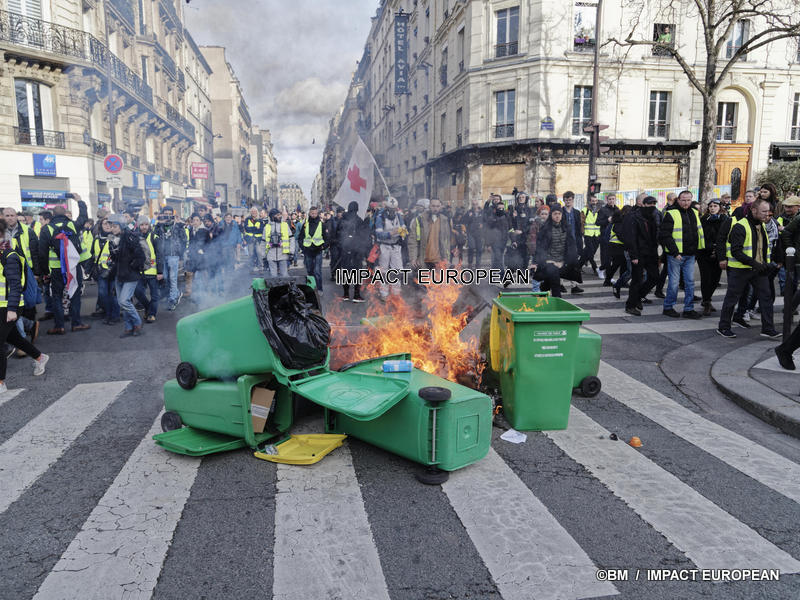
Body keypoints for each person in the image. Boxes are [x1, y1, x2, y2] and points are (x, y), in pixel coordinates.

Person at [717, 198, 780, 339]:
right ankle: (724, 327)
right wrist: (756, 264)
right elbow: (736, 251)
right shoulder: (740, 226)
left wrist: (767, 264)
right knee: (732, 299)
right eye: (763, 211)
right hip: (740, 269)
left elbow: (763, 248)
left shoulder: (762, 225)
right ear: (753, 210)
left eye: (768, 212)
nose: (766, 215)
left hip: (758, 269)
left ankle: (768, 329)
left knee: (766, 298)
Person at [0, 219, 48, 393]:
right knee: (14, 338)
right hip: (3, 306)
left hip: (9, 306)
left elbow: (15, 284)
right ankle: (40, 357)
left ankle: (1, 383)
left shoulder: (9, 255)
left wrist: (12, 309)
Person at [36, 200, 90, 335]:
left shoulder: (46, 229)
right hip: (73, 266)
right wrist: (80, 202)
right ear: (65, 214)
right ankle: (76, 323)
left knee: (56, 296)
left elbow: (41, 253)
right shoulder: (72, 225)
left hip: (56, 268)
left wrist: (44, 272)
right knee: (75, 294)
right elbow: (83, 217)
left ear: (52, 215)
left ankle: (59, 326)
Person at [658, 190, 704, 319]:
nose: (686, 202)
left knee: (689, 282)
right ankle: (668, 307)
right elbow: (665, 235)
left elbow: (698, 233)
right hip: (676, 255)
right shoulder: (671, 213)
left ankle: (688, 309)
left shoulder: (695, 212)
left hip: (690, 254)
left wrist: (698, 250)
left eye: (688, 200)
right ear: (678, 200)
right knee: (673, 282)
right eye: (683, 200)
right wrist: (674, 252)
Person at [106, 214, 145, 337]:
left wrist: (130, 267)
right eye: (111, 226)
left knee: (124, 301)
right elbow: (114, 258)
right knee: (123, 302)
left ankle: (137, 323)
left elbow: (141, 257)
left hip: (130, 275)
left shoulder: (129, 237)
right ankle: (128, 327)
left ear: (121, 226)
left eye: (115, 226)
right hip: (119, 275)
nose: (112, 228)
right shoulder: (112, 239)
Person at [620, 196, 660, 316]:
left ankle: (639, 296)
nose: (652, 206)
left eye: (654, 204)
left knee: (655, 277)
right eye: (649, 204)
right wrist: (633, 255)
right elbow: (629, 237)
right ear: (643, 204)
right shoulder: (632, 216)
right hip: (638, 253)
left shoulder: (652, 216)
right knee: (637, 280)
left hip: (651, 253)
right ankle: (630, 305)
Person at [531, 205, 580, 298]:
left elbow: (571, 245)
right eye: (555, 214)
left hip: (561, 262)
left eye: (559, 214)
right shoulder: (545, 228)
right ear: (551, 215)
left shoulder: (566, 227)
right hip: (549, 261)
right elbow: (540, 246)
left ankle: (542, 299)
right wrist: (540, 261)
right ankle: (558, 306)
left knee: (547, 283)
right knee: (555, 283)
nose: (557, 216)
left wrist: (565, 261)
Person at [154, 207, 187, 311]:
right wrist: (159, 224)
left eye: (169, 214)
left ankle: (172, 299)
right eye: (166, 214)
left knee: (173, 279)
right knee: (165, 278)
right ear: (163, 214)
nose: (167, 216)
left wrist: (181, 255)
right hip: (162, 256)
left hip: (174, 255)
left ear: (172, 215)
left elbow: (184, 240)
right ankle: (176, 293)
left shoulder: (178, 226)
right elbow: (154, 238)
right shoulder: (159, 226)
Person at [374, 197, 406, 300]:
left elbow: (404, 230)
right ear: (386, 208)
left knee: (397, 269)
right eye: (391, 209)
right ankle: (384, 293)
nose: (393, 211)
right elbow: (378, 234)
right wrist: (390, 233)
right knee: (384, 270)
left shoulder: (399, 216)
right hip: (384, 246)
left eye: (394, 209)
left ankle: (396, 292)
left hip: (396, 246)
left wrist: (402, 232)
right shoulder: (380, 218)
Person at [697, 198, 725, 315]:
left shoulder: (725, 219)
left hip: (718, 254)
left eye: (715, 206)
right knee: (706, 279)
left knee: (715, 279)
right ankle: (707, 302)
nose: (713, 208)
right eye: (711, 206)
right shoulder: (703, 219)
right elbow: (700, 235)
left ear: (720, 208)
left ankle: (707, 299)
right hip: (704, 253)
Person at [91, 218, 120, 324]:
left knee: (113, 294)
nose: (107, 226)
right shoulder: (96, 239)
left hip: (113, 271)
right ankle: (108, 313)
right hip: (101, 272)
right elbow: (93, 255)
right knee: (103, 294)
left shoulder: (116, 239)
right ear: (101, 225)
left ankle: (114, 316)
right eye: (105, 224)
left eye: (110, 224)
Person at [408, 198, 452, 269]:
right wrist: (413, 258)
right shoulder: (420, 220)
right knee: (423, 279)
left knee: (438, 279)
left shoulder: (444, 220)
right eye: (433, 206)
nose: (435, 208)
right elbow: (413, 241)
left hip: (439, 261)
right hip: (423, 260)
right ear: (429, 206)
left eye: (437, 206)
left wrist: (447, 259)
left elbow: (446, 242)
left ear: (440, 207)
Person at [338, 201, 368, 302]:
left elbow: (338, 234)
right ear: (357, 209)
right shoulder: (359, 220)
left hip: (345, 250)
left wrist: (342, 246)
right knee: (357, 273)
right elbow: (363, 236)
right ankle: (356, 295)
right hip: (356, 250)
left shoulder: (342, 219)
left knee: (345, 272)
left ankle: (346, 294)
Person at [134, 215, 161, 323]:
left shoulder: (154, 237)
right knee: (138, 292)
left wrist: (160, 272)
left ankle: (151, 314)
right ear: (139, 226)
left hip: (153, 272)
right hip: (140, 271)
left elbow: (159, 255)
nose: (144, 227)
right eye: (142, 225)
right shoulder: (135, 238)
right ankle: (148, 308)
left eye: (146, 224)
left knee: (154, 295)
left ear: (149, 225)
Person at [297, 205, 326, 290]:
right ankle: (312, 289)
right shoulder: (305, 224)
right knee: (310, 271)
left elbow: (327, 237)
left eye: (315, 213)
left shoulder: (322, 224)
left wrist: (323, 247)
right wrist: (303, 248)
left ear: (317, 214)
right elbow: (300, 237)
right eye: (312, 213)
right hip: (308, 251)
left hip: (318, 251)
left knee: (317, 271)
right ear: (309, 213)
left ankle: (319, 288)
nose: (313, 215)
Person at [596, 193, 619, 284]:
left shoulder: (617, 210)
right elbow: (597, 222)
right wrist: (607, 220)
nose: (611, 200)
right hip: (604, 237)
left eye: (613, 199)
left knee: (613, 258)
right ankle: (606, 274)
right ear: (607, 200)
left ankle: (603, 271)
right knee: (606, 258)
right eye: (610, 199)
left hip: (614, 237)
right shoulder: (602, 210)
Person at [187, 213, 210, 302]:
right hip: (192, 256)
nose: (195, 222)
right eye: (194, 220)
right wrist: (188, 250)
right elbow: (189, 242)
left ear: (200, 222)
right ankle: (193, 294)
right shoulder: (190, 230)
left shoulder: (205, 231)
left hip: (201, 257)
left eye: (197, 220)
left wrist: (203, 250)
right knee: (190, 275)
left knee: (203, 276)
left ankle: (206, 293)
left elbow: (209, 243)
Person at [484, 195, 509, 270]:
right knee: (494, 256)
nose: (496, 200)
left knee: (500, 256)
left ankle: (501, 272)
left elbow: (509, 226)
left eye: (498, 199)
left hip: (502, 238)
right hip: (493, 237)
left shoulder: (505, 212)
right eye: (494, 199)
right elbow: (485, 211)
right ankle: (496, 271)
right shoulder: (491, 210)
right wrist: (488, 201)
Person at [580, 194, 601, 275]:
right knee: (590, 252)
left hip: (597, 234)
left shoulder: (599, 210)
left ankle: (578, 266)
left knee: (588, 252)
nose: (594, 202)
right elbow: (581, 221)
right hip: (588, 234)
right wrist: (582, 231)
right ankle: (595, 268)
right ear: (589, 201)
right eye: (593, 201)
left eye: (596, 201)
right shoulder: (585, 209)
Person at [463, 199, 485, 268]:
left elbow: (486, 221)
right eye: (473, 204)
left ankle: (478, 264)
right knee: (471, 247)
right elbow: (464, 221)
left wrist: (483, 225)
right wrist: (469, 217)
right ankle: (470, 263)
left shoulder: (482, 212)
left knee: (479, 249)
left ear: (478, 204)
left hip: (479, 233)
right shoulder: (469, 212)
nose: (475, 206)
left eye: (476, 204)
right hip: (471, 233)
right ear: (472, 205)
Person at [243, 207, 265, 271]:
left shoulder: (260, 220)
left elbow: (261, 230)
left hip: (258, 239)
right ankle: (251, 267)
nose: (253, 212)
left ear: (257, 212)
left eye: (255, 211)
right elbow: (247, 229)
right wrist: (255, 228)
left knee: (259, 253)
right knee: (251, 254)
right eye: (252, 211)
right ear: (250, 212)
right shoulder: (247, 219)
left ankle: (260, 267)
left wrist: (252, 228)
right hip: (250, 239)